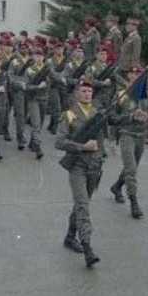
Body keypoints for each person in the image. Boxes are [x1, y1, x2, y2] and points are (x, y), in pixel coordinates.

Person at [55, 78, 104, 268]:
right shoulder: (69, 115)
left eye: (89, 91)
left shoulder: (97, 113)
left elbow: (111, 126)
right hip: (77, 166)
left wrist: (133, 118)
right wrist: (82, 146)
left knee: (81, 204)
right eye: (83, 91)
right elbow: (59, 142)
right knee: (83, 205)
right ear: (77, 93)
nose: (87, 94)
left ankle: (69, 235)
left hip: (95, 167)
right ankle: (87, 246)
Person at [108, 64, 148, 217]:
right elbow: (111, 118)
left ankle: (117, 186)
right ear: (129, 76)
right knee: (131, 169)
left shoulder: (145, 94)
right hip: (126, 134)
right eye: (134, 73)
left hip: (141, 136)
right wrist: (112, 139)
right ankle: (134, 202)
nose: (137, 76)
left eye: (139, 73)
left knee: (131, 168)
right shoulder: (121, 94)